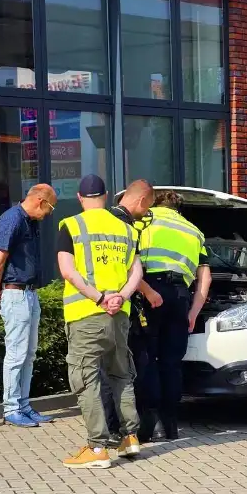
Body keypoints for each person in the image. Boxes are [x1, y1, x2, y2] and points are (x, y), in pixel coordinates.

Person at [57, 174, 144, 468]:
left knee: (86, 379)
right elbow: (137, 273)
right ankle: (129, 438)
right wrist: (119, 297)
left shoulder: (71, 225)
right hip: (119, 316)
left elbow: (68, 272)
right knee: (121, 375)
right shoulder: (126, 229)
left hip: (87, 315)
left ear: (80, 198)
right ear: (106, 196)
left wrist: (99, 298)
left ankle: (96, 449)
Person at [136, 190, 212, 441]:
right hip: (181, 296)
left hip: (151, 291)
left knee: (147, 357)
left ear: (155, 203)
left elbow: (130, 261)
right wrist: (193, 312)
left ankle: (148, 419)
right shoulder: (195, 231)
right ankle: (170, 423)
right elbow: (205, 280)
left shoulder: (143, 219)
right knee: (171, 362)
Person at [0, 184, 58, 428]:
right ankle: (12, 407)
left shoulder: (30, 222)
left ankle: (23, 405)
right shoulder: (12, 220)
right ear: (40, 201)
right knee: (16, 354)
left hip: (29, 294)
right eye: (50, 208)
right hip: (15, 294)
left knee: (29, 353)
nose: (50, 214)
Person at [103, 180, 156, 438]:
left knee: (110, 369)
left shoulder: (104, 221)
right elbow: (129, 268)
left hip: (102, 302)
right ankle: (119, 431)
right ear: (141, 201)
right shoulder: (124, 227)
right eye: (148, 208)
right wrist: (148, 291)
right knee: (121, 371)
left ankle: (113, 429)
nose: (147, 214)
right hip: (117, 306)